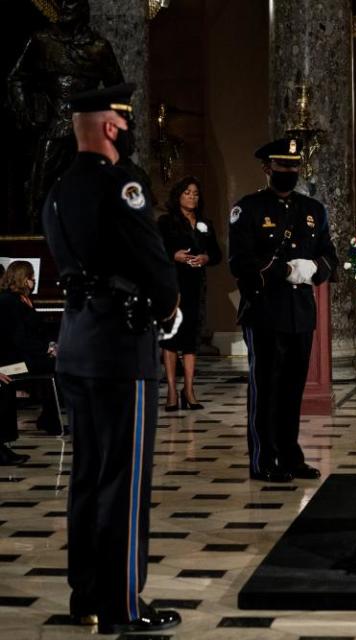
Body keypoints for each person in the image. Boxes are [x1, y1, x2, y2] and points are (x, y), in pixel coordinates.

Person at [41, 83, 182, 634]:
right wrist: (169, 308)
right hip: (122, 348)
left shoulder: (56, 190)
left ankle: (87, 598)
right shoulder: (120, 183)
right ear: (110, 126)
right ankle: (123, 607)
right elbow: (151, 259)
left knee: (88, 477)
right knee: (124, 482)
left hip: (76, 343)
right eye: (123, 123)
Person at [228, 137, 339, 483]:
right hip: (265, 311)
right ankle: (263, 459)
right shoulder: (248, 209)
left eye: (293, 166)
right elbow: (241, 262)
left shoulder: (312, 210)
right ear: (267, 168)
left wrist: (313, 269)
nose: (289, 171)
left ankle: (290, 455)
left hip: (300, 313)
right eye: (282, 166)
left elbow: (330, 258)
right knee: (266, 387)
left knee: (292, 388)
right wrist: (286, 271)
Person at [7, 0, 124, 232]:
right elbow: (16, 78)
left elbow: (117, 89)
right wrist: (27, 113)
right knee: (40, 190)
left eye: (70, 6)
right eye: (62, 5)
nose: (63, 11)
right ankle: (38, 244)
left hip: (88, 130)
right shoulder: (42, 41)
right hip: (54, 125)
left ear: (82, 11)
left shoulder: (98, 48)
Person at [157, 176, 222, 411]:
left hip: (196, 285)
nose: (192, 197)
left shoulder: (205, 223)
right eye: (187, 193)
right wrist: (173, 255)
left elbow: (216, 253)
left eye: (195, 193)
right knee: (172, 338)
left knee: (192, 338)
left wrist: (205, 257)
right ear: (178, 196)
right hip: (174, 286)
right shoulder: (166, 222)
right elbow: (156, 250)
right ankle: (172, 391)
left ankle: (190, 390)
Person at [0, 260, 59, 444]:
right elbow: (19, 339)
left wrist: (50, 346)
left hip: (25, 356)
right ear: (23, 279)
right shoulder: (9, 301)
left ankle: (49, 418)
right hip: (12, 363)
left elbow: (35, 333)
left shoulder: (22, 300)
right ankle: (49, 418)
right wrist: (46, 350)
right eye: (31, 278)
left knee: (59, 363)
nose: (33, 282)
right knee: (60, 365)